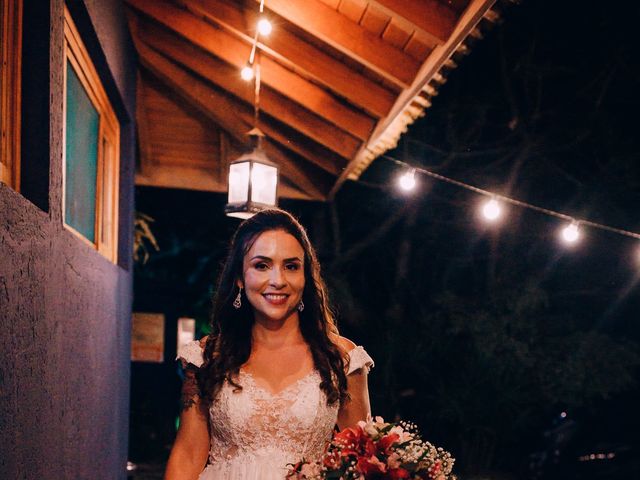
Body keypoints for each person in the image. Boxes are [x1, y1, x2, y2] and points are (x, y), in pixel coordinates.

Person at [165, 208, 374, 480]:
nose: (278, 280)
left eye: (291, 266)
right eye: (261, 265)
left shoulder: (343, 358)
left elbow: (362, 461)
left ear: (306, 277)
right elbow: (188, 455)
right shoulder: (208, 357)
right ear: (240, 277)